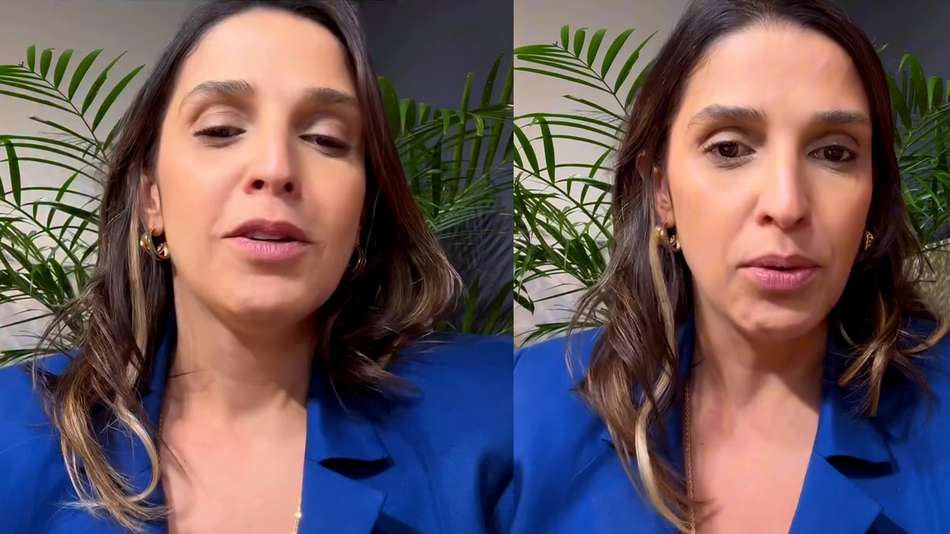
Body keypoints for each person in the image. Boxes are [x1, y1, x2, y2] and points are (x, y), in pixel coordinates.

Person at [0, 1, 512, 533]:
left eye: (325, 139)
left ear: (361, 213)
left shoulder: (499, 414)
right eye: (221, 130)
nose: (275, 168)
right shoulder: (15, 431)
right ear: (152, 199)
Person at [514, 1, 950, 532]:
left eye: (834, 153)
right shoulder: (527, 407)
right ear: (662, 192)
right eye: (729, 148)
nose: (786, 205)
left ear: (873, 196)